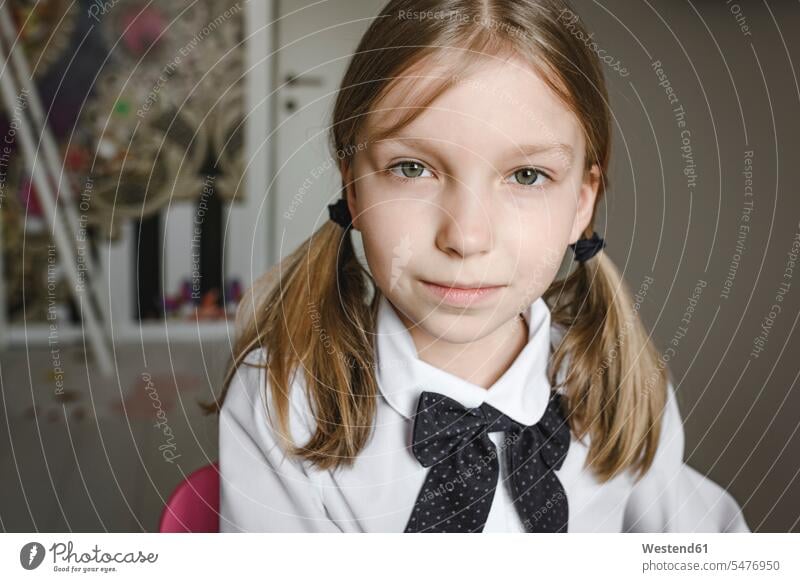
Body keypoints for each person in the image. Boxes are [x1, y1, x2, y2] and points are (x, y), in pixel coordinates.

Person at [204, 0, 750, 533]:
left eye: (527, 176)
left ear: (582, 202)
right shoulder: (282, 400)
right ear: (352, 185)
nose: (466, 237)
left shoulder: (619, 388)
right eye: (412, 168)